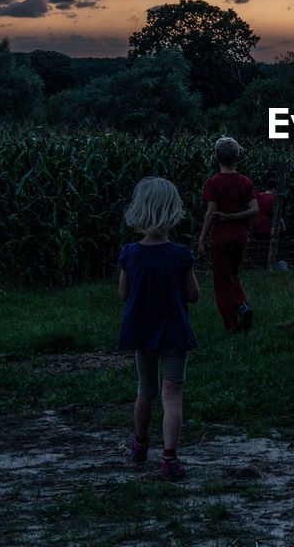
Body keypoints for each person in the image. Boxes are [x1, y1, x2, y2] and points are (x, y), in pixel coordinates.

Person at [117, 177, 200, 481]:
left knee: (145, 389)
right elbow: (193, 295)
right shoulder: (180, 255)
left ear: (139, 210)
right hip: (174, 334)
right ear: (173, 211)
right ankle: (170, 458)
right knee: (172, 392)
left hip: (142, 331)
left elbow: (124, 295)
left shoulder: (130, 254)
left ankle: (139, 444)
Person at [194, 136, 258, 333]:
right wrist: (236, 216)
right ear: (237, 157)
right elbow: (254, 209)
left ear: (216, 157)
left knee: (221, 282)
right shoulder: (245, 182)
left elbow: (211, 213)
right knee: (233, 274)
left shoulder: (213, 182)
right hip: (241, 237)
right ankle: (242, 306)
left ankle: (231, 325)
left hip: (221, 237)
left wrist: (201, 239)